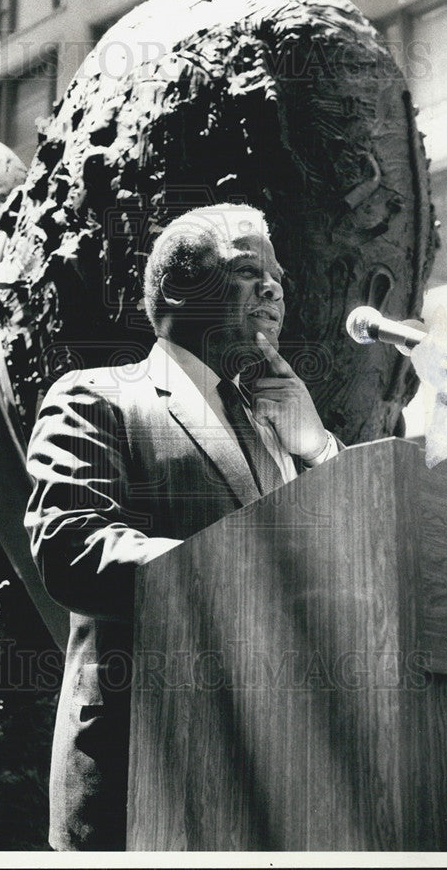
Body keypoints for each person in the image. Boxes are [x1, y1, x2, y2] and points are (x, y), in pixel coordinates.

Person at [24, 203, 342, 851]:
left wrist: (319, 450)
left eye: (277, 276)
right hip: (144, 779)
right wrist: (250, 575)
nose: (275, 288)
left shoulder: (281, 425)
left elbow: (343, 560)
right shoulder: (99, 397)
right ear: (179, 288)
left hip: (279, 785)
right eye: (249, 270)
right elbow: (72, 549)